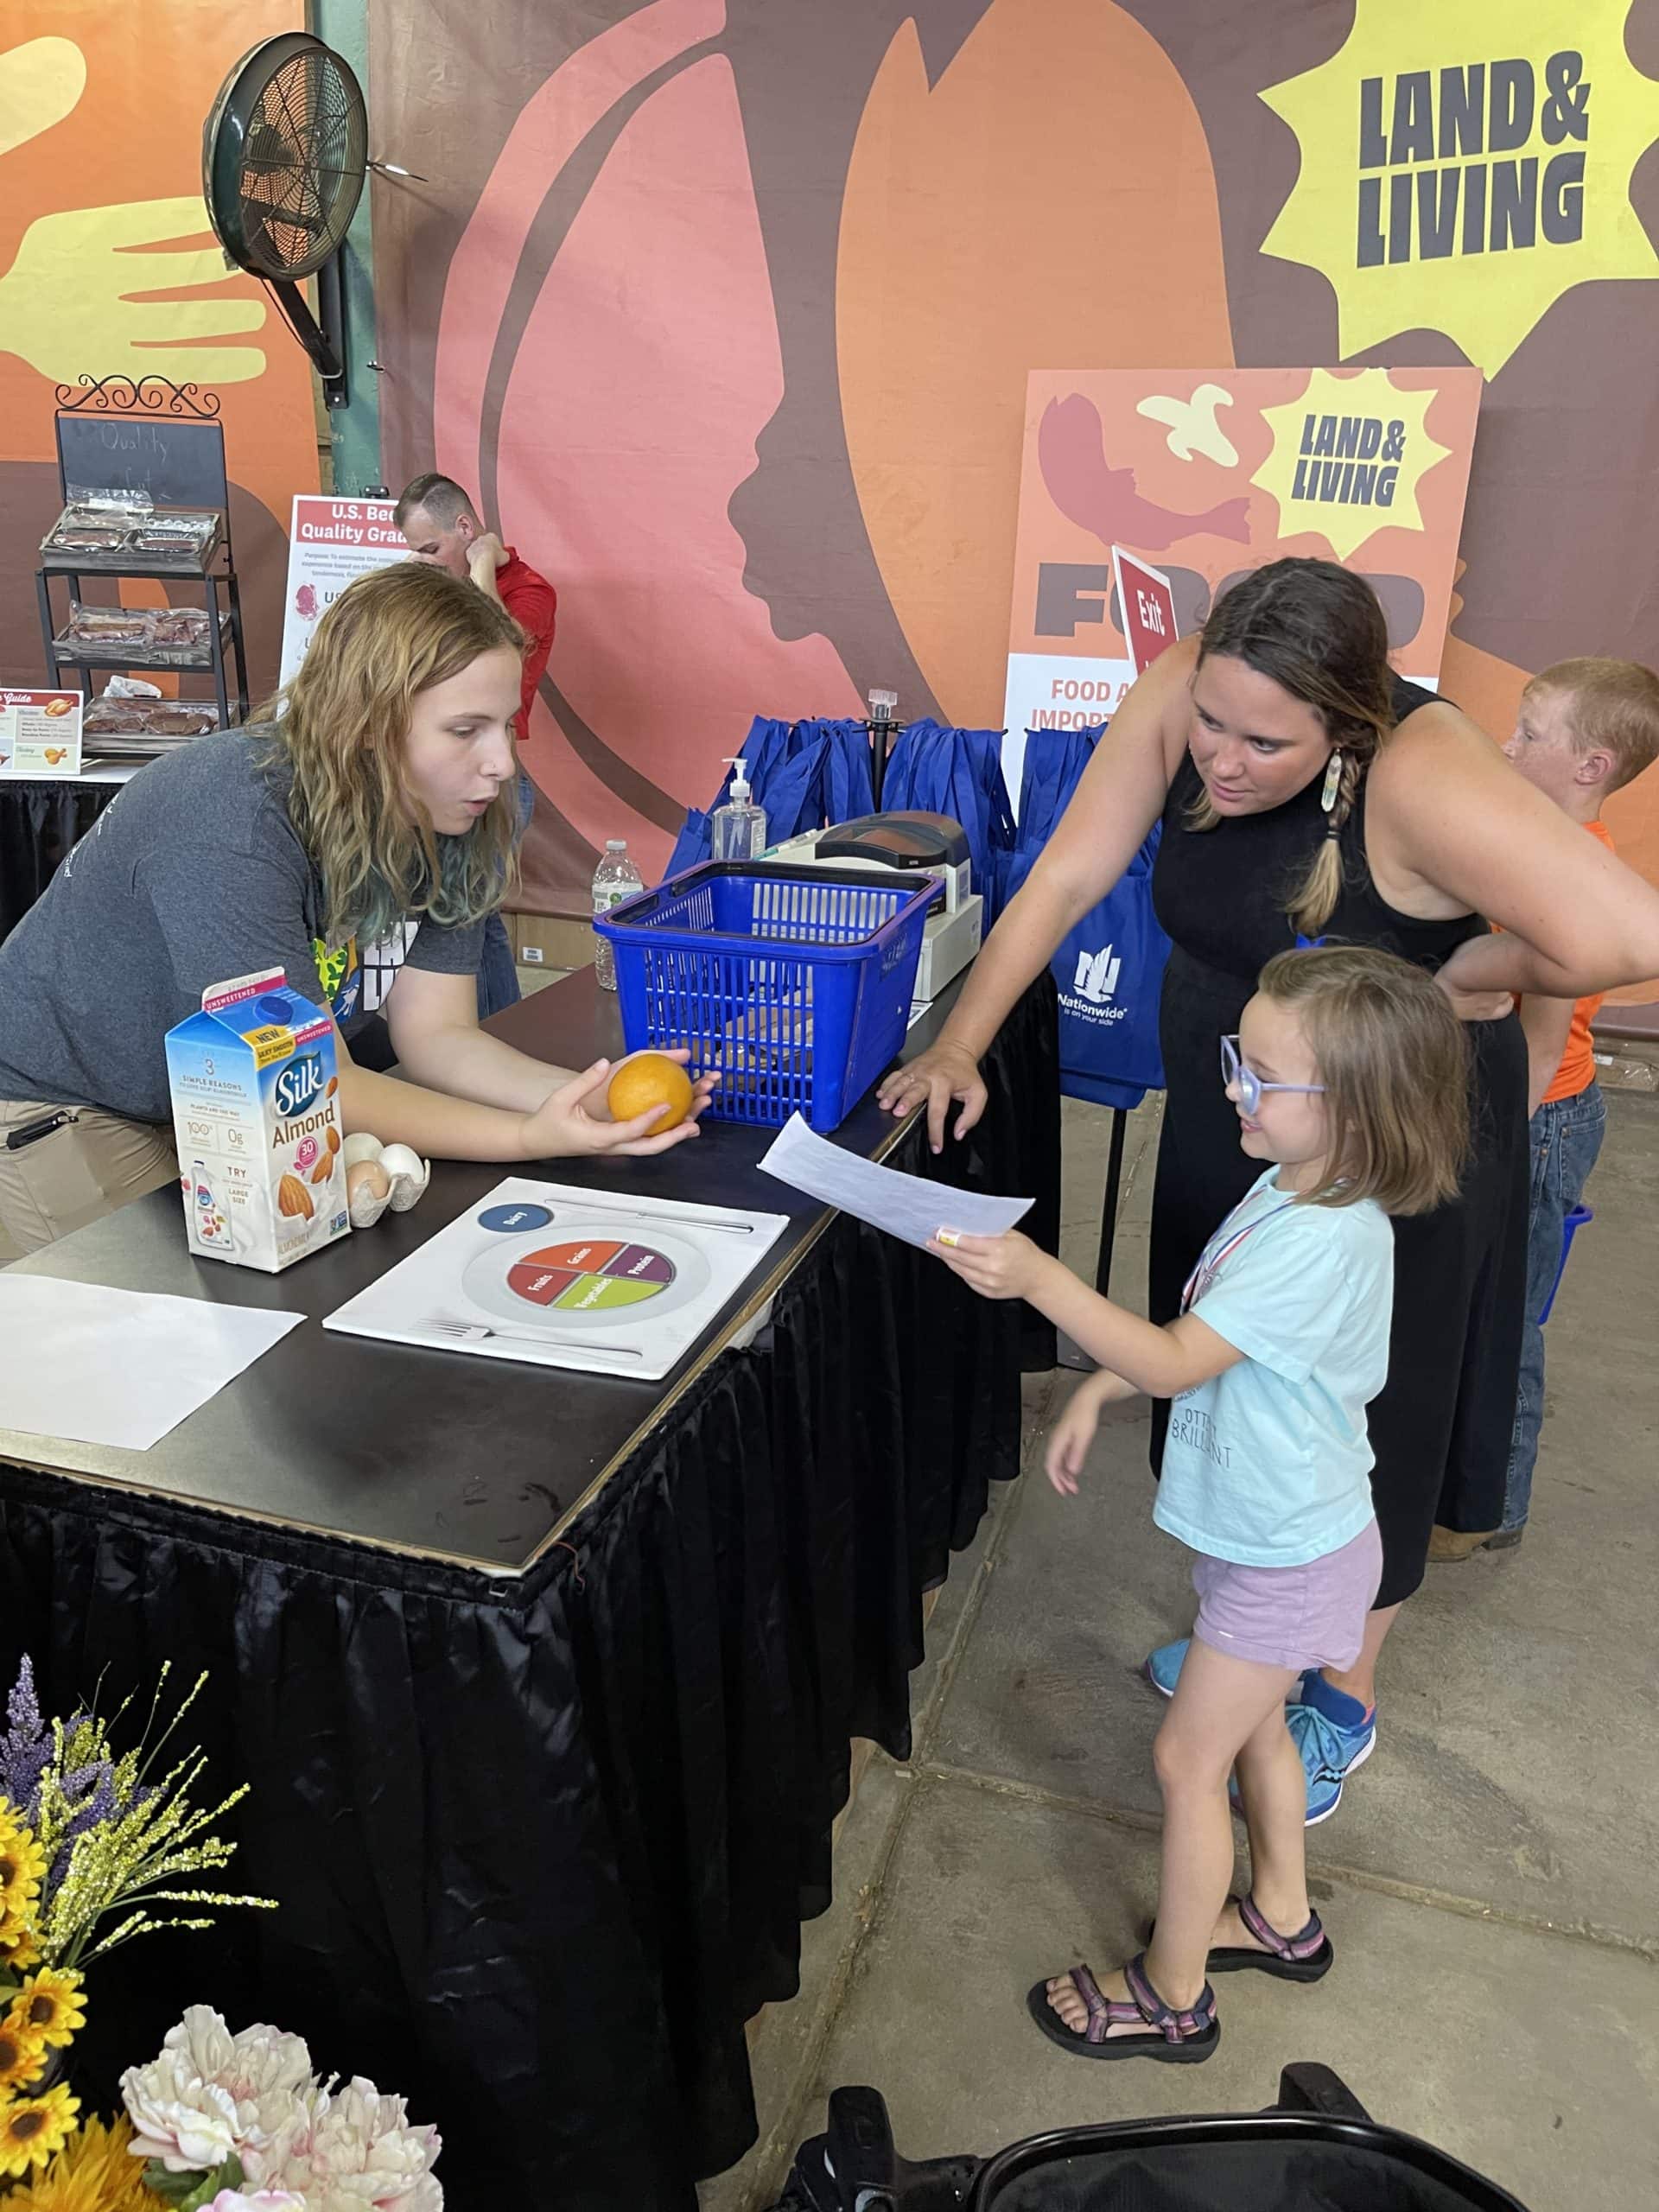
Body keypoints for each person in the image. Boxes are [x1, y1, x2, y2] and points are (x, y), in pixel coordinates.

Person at [880, 558, 1659, 1821]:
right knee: (1234, 1372)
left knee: (1374, 1418)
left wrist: (1462, 971)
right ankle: (1267, 1632)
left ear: (1348, 727)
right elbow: (1072, 874)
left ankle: (1340, 1696)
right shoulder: (1188, 687)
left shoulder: (1422, 764)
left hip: (1391, 1127)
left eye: (1266, 743)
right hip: (1240, 1084)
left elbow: (1629, 933)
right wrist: (963, 1039)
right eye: (1212, 726)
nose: (1223, 763)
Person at [931, 948, 1470, 2060]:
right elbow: (1212, 1334)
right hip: (1280, 1535)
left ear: (1358, 1114)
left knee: (1189, 1760)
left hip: (1289, 1555)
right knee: (1256, 1724)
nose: (1235, 1087)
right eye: (1240, 1058)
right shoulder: (1294, 1184)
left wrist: (1045, 1282)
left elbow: (1184, 1358)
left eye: (1263, 1075)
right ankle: (1280, 1915)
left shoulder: (1324, 1238)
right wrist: (1105, 1378)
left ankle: (1173, 1995)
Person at [0, 563, 710, 1257]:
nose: (500, 763)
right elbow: (313, 1079)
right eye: (466, 731)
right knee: (157, 1320)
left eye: (505, 726)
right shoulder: (230, 814)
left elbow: (437, 1038)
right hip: (68, 1103)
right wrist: (529, 1138)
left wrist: (591, 1097)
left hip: (218, 1103)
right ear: (367, 723)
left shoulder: (450, 814)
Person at [1431, 658, 1659, 1560]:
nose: (1507, 744)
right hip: (1521, 1106)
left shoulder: (1571, 869)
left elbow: (1541, 1033)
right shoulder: (1528, 840)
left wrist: (1507, 1147)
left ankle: (1495, 1502)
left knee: (1508, 1309)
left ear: (1591, 765)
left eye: (1531, 734)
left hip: (1541, 1114)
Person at [397, 472, 559, 1019]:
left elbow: (501, 644)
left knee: (469, 921)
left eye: (431, 548)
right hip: (431, 778)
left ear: (464, 527)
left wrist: (483, 566)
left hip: (495, 784)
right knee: (460, 922)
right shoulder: (438, 588)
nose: (426, 562)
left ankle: (491, 1034)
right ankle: (475, 1037)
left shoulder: (530, 591)